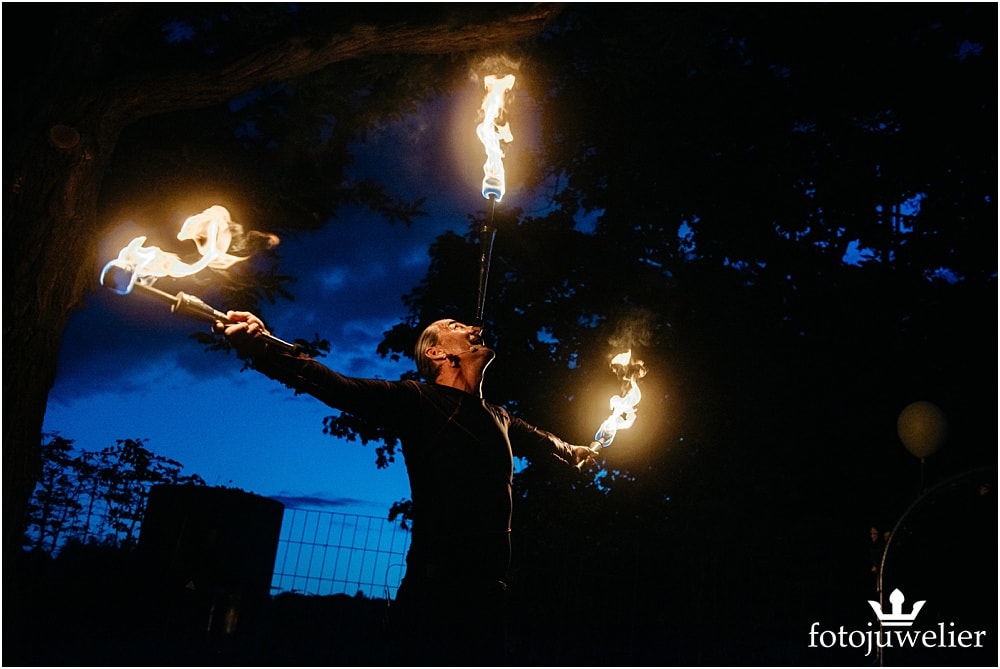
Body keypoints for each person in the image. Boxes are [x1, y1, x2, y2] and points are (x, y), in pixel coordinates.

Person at [214, 313, 598, 664]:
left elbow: (547, 442)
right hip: (435, 592)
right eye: (455, 326)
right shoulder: (417, 398)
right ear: (437, 352)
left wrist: (576, 452)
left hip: (489, 596)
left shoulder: (499, 417)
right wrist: (261, 348)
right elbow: (338, 387)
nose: (472, 328)